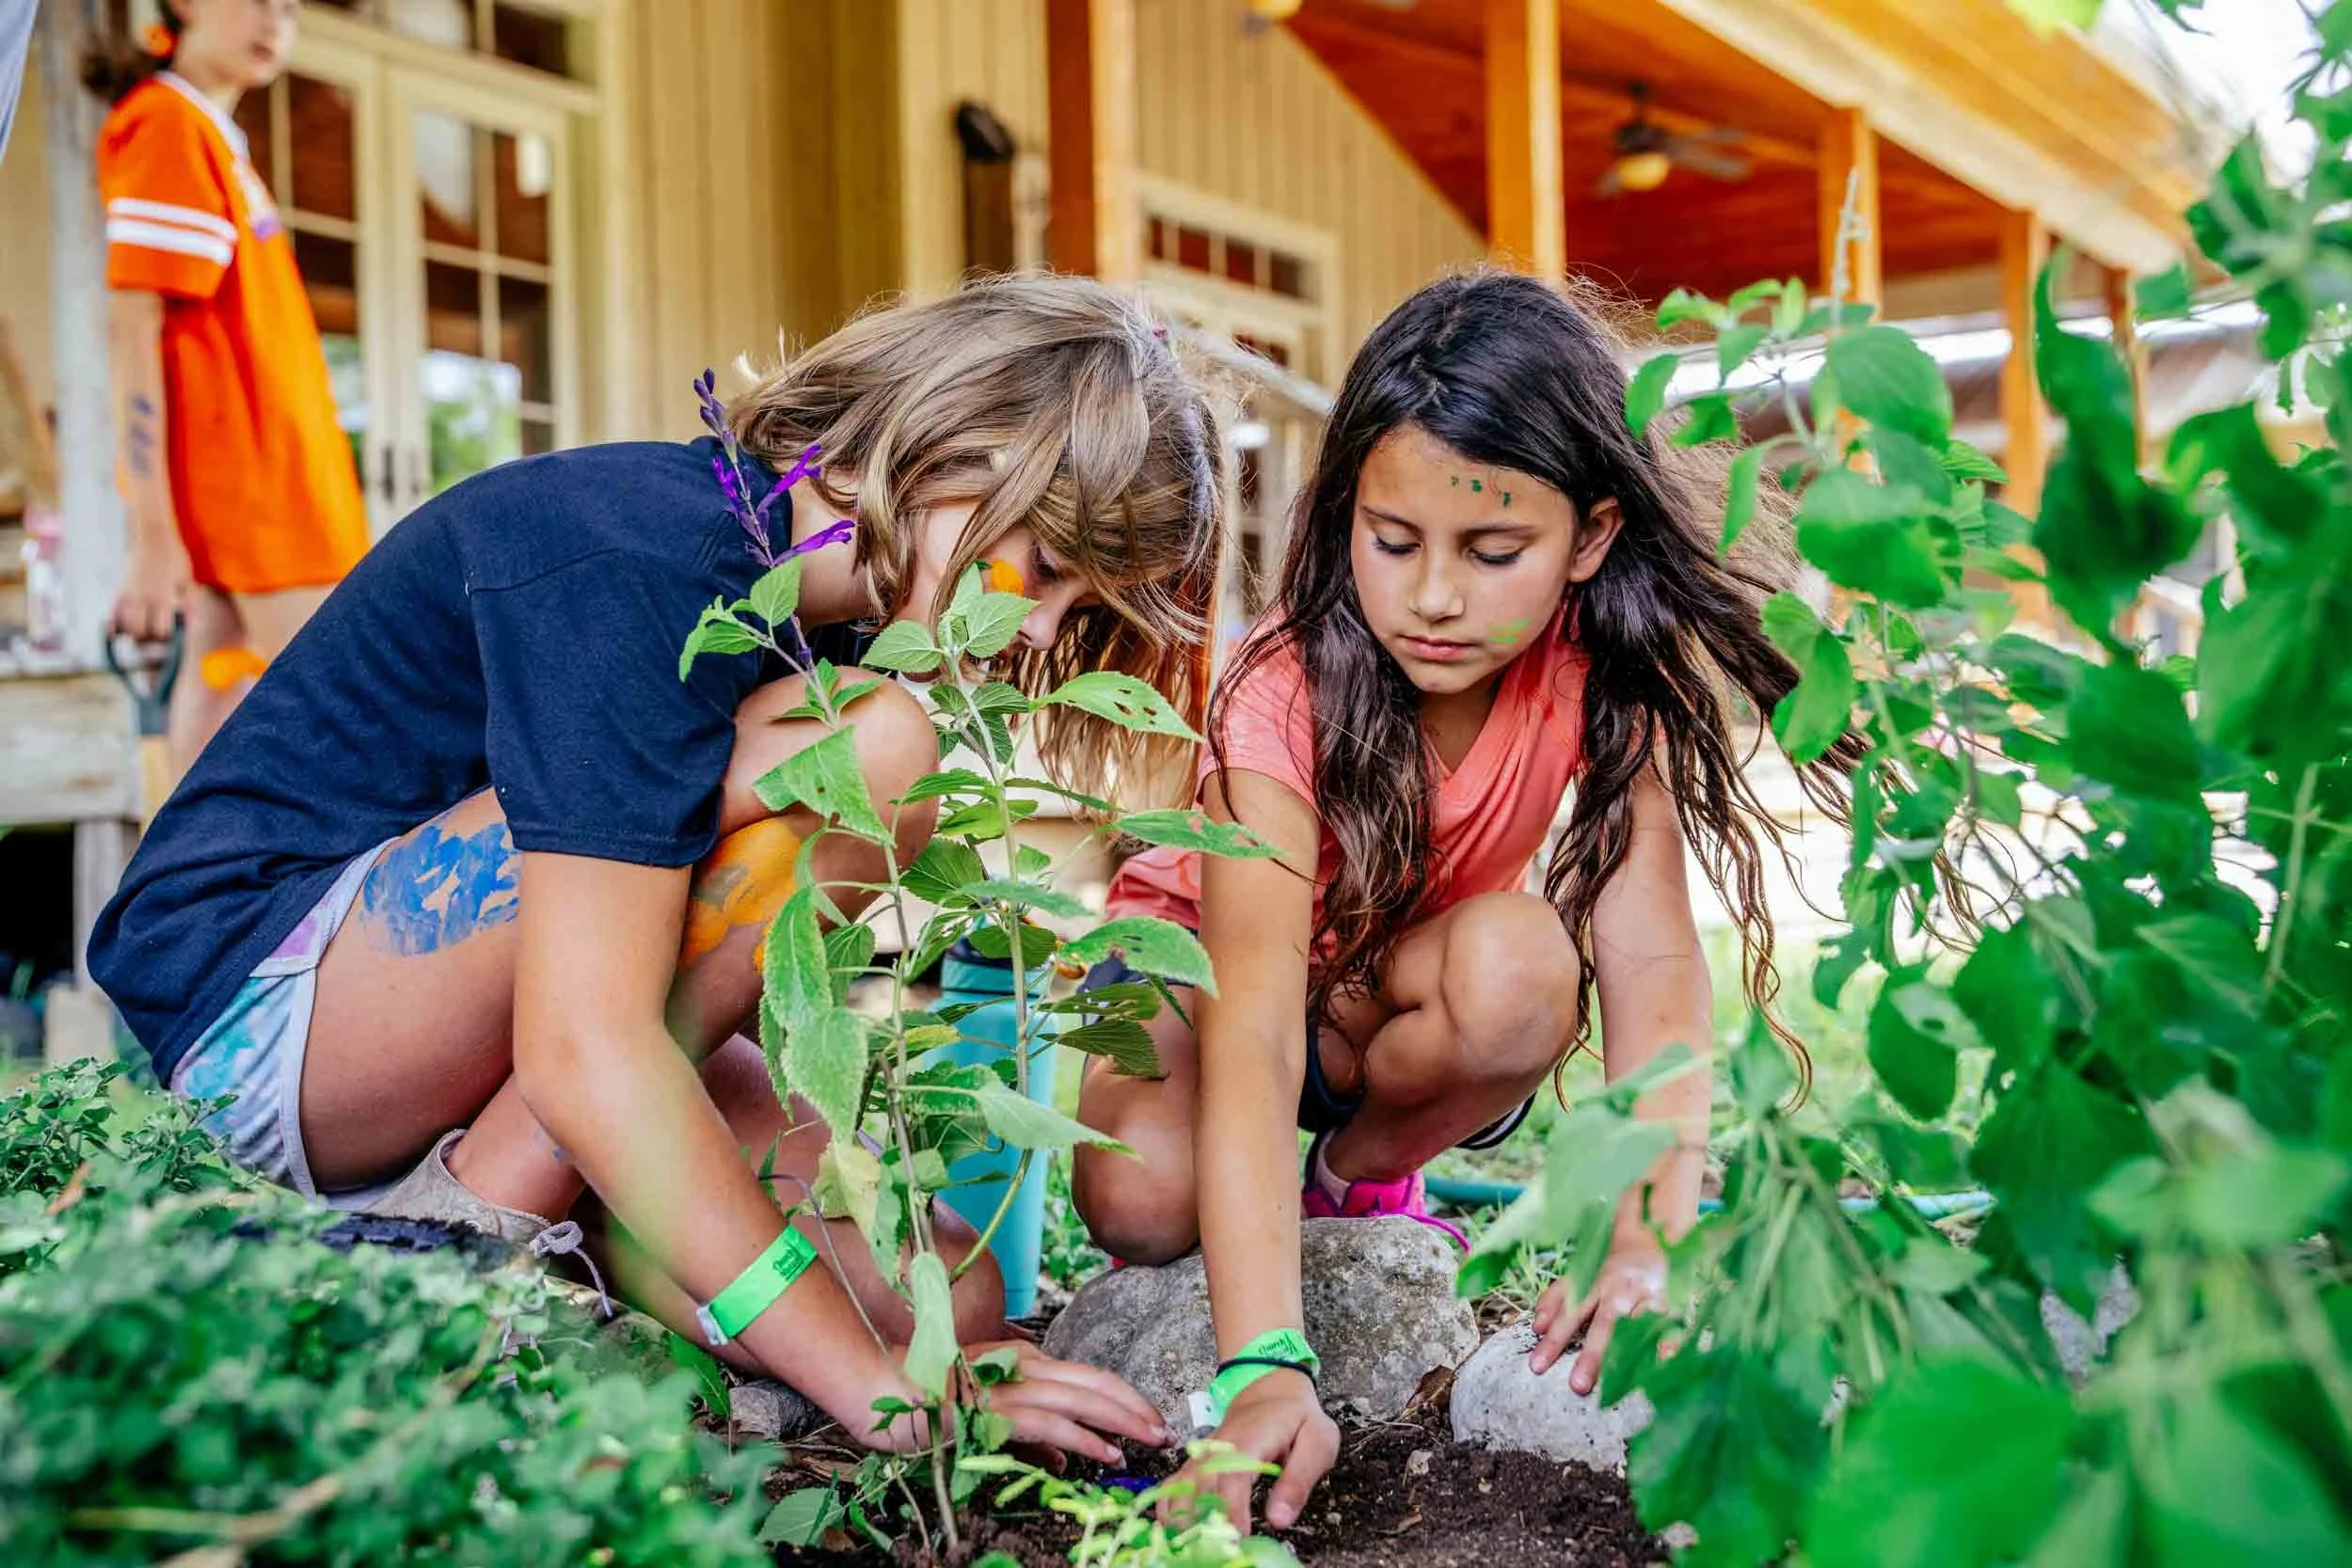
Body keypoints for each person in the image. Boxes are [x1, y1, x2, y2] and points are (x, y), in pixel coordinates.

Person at [88, 275, 1223, 1464]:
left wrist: (899, 1348)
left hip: (502, 1039)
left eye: (1077, 607)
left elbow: (688, 1003)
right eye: (1041, 567)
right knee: (878, 745)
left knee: (947, 1297)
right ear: (953, 442)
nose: (1039, 633)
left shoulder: (820, 631)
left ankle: (536, 1233)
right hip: (274, 1007)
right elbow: (591, 1048)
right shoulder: (637, 551)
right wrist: (885, 1402)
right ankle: (467, 1244)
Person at [1072, 272, 1851, 1528]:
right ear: (1348, 520)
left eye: (1494, 552)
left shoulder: (1607, 676)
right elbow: (1255, 1020)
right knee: (1141, 1199)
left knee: (1522, 969)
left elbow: (1649, 967)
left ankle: (1345, 1184)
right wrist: (1264, 1361)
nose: (1434, 597)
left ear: (1589, 538)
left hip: (1384, 989)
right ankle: (1263, 1195)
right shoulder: (1278, 690)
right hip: (1202, 973)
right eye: (1395, 543)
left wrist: (1644, 1232)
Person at [86, 0, 368, 773]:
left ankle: (184, 897)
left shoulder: (212, 133)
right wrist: (152, 536)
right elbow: (132, 326)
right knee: (361, 736)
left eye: (290, 4)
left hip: (265, 500)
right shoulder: (167, 123)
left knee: (213, 740)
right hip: (255, 507)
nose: (275, 17)